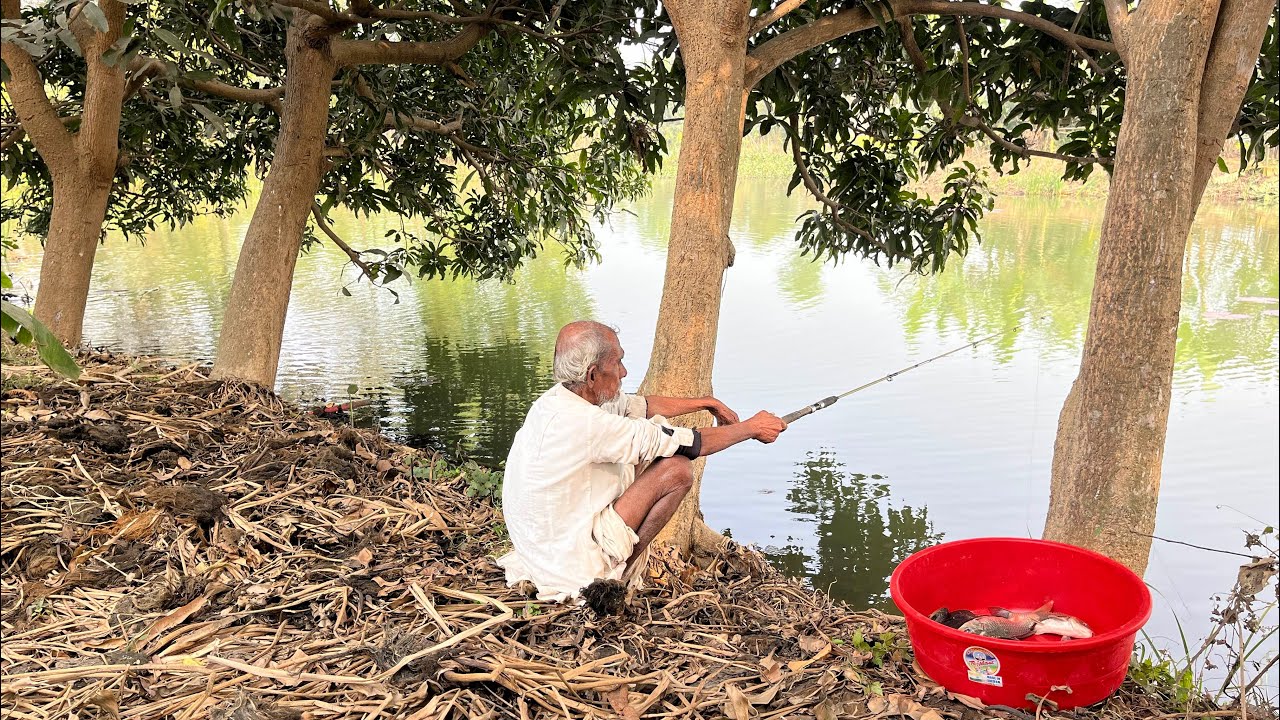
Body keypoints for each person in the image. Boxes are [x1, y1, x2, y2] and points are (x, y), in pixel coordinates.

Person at [497, 320, 787, 601]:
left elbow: (639, 405)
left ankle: (611, 563)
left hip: (544, 546)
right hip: (569, 559)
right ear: (593, 375)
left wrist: (707, 402)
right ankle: (612, 577)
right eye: (617, 363)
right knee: (677, 469)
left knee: (644, 436)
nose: (624, 372)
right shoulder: (587, 425)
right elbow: (689, 443)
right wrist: (750, 428)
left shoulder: (560, 399)